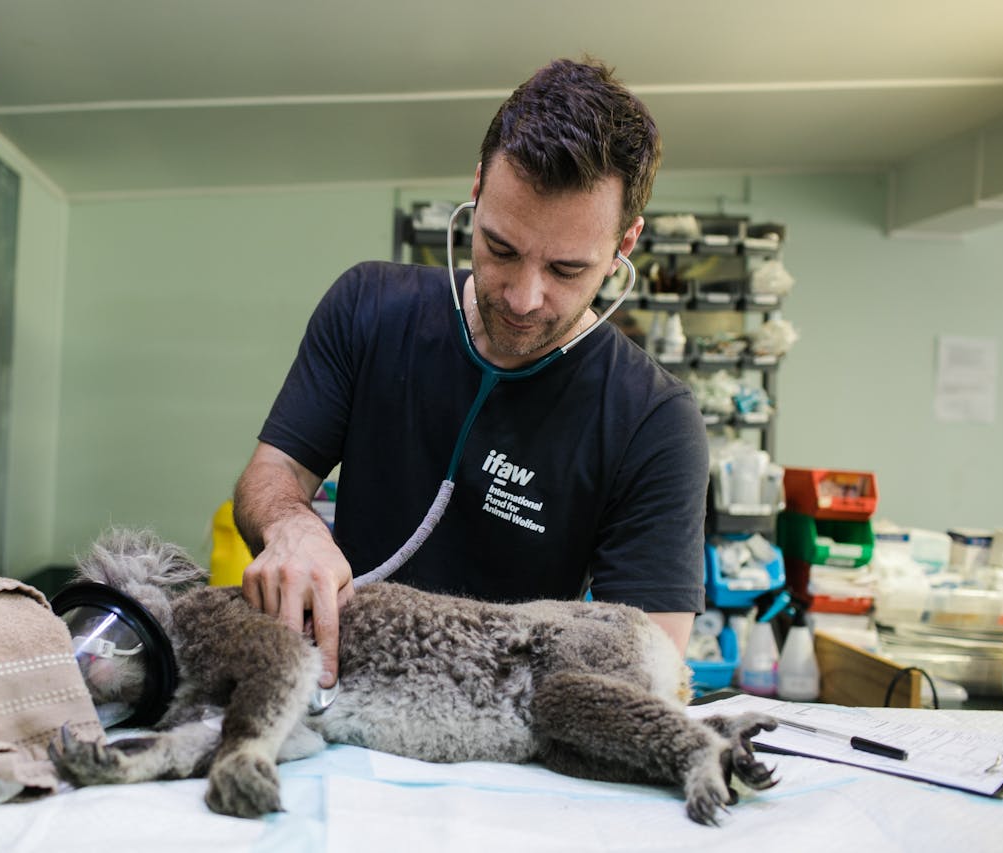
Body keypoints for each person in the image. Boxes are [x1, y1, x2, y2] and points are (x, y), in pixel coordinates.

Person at [233, 57, 707, 690]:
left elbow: (648, 661)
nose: (522, 298)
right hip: (342, 690)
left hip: (513, 728)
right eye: (501, 249)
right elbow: (272, 474)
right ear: (478, 188)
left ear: (625, 244)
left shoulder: (655, 421)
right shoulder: (368, 307)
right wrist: (290, 526)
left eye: (566, 269)